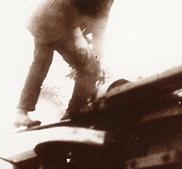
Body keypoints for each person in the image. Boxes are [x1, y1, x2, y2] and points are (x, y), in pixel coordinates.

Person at [15, 0, 114, 128]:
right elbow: (99, 26)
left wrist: (97, 58)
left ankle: (21, 111)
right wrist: (77, 35)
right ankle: (75, 110)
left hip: (45, 17)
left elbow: (99, 26)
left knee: (40, 65)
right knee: (90, 68)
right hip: (59, 18)